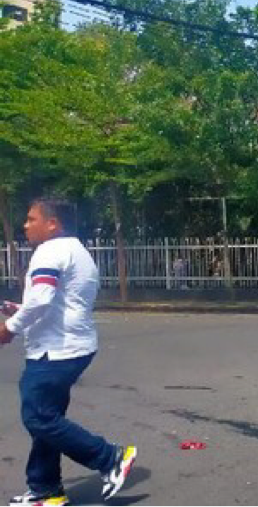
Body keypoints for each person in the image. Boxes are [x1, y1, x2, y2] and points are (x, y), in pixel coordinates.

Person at [1, 198, 138, 506]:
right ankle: (45, 489)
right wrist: (20, 309)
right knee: (47, 417)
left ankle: (110, 458)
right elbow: (60, 301)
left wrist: (9, 327)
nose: (25, 225)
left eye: (31, 218)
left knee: (37, 416)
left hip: (56, 350)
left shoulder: (50, 251)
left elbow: (41, 300)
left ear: (53, 224)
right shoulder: (77, 250)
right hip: (72, 345)